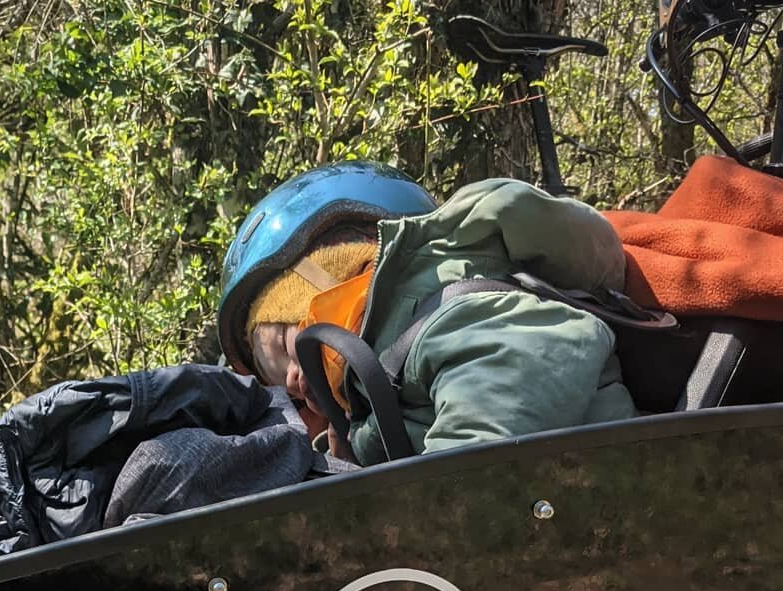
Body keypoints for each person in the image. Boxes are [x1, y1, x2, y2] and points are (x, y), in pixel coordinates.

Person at [217, 161, 637, 465]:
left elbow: (517, 376)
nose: (294, 380)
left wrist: (421, 506)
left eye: (285, 348)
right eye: (284, 385)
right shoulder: (377, 381)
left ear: (332, 278)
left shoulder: (451, 313)